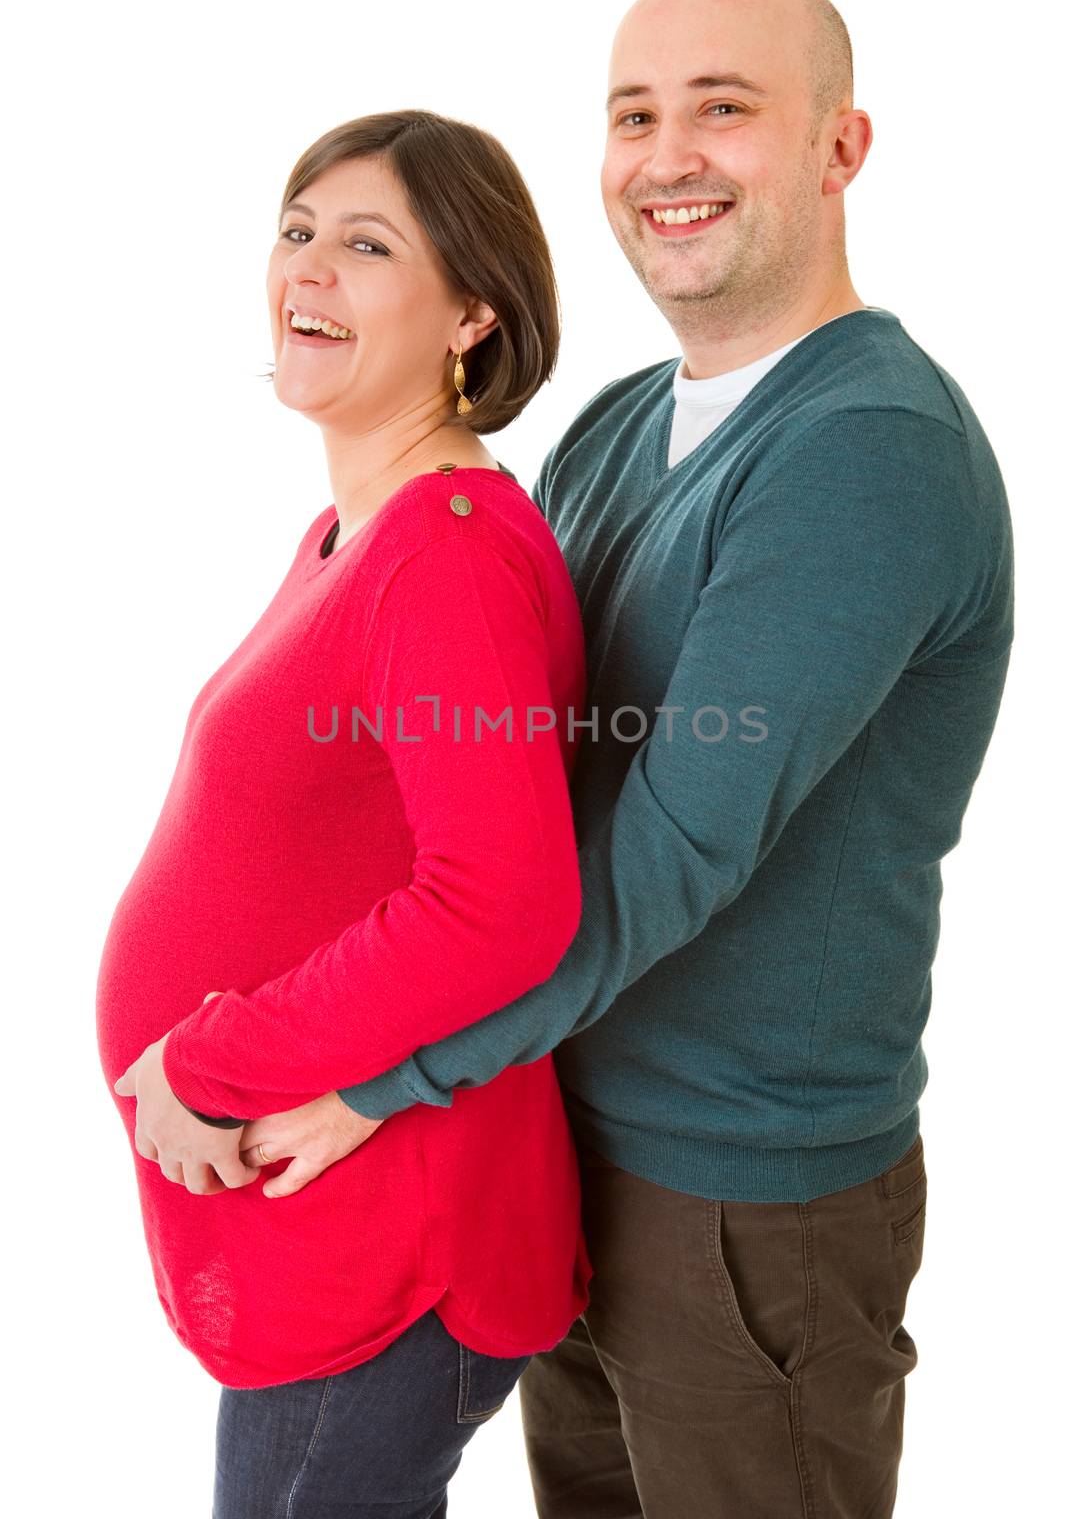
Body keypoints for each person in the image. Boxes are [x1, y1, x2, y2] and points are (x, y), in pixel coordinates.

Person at [236, 0, 1016, 1519]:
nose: (669, 155)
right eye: (634, 114)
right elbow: (496, 781)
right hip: (556, 1140)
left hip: (741, 1196)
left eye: (723, 110)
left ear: (838, 147)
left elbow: (675, 849)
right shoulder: (613, 426)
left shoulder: (864, 449)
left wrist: (382, 1071)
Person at [96, 109, 595, 1518]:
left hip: (391, 1243)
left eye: (367, 246)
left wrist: (214, 1058)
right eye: (298, 230)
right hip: (321, 1234)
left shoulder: (443, 558)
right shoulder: (350, 532)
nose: (308, 269)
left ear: (471, 314)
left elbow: (500, 902)